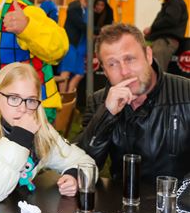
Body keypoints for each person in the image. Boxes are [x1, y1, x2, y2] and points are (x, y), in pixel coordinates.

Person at [0, 62, 96, 202]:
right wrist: (20, 137)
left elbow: (84, 162)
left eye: (30, 100)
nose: (22, 109)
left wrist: (74, 176)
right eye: (14, 98)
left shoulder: (40, 132)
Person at [77, 23, 190, 181]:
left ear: (148, 56)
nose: (124, 71)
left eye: (129, 59)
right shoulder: (98, 102)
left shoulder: (186, 94)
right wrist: (106, 114)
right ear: (104, 70)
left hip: (175, 202)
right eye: (112, 64)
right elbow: (80, 166)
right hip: (122, 202)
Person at [144, 0, 188, 72]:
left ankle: (159, 87)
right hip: (161, 41)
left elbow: (170, 20)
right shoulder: (171, 2)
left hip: (165, 42)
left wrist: (152, 28)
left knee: (157, 72)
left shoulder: (175, 1)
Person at [58, 0, 88, 93]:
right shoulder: (74, 7)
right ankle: (62, 98)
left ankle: (69, 96)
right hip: (71, 43)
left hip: (81, 46)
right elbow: (80, 24)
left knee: (79, 74)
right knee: (66, 72)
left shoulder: (88, 9)